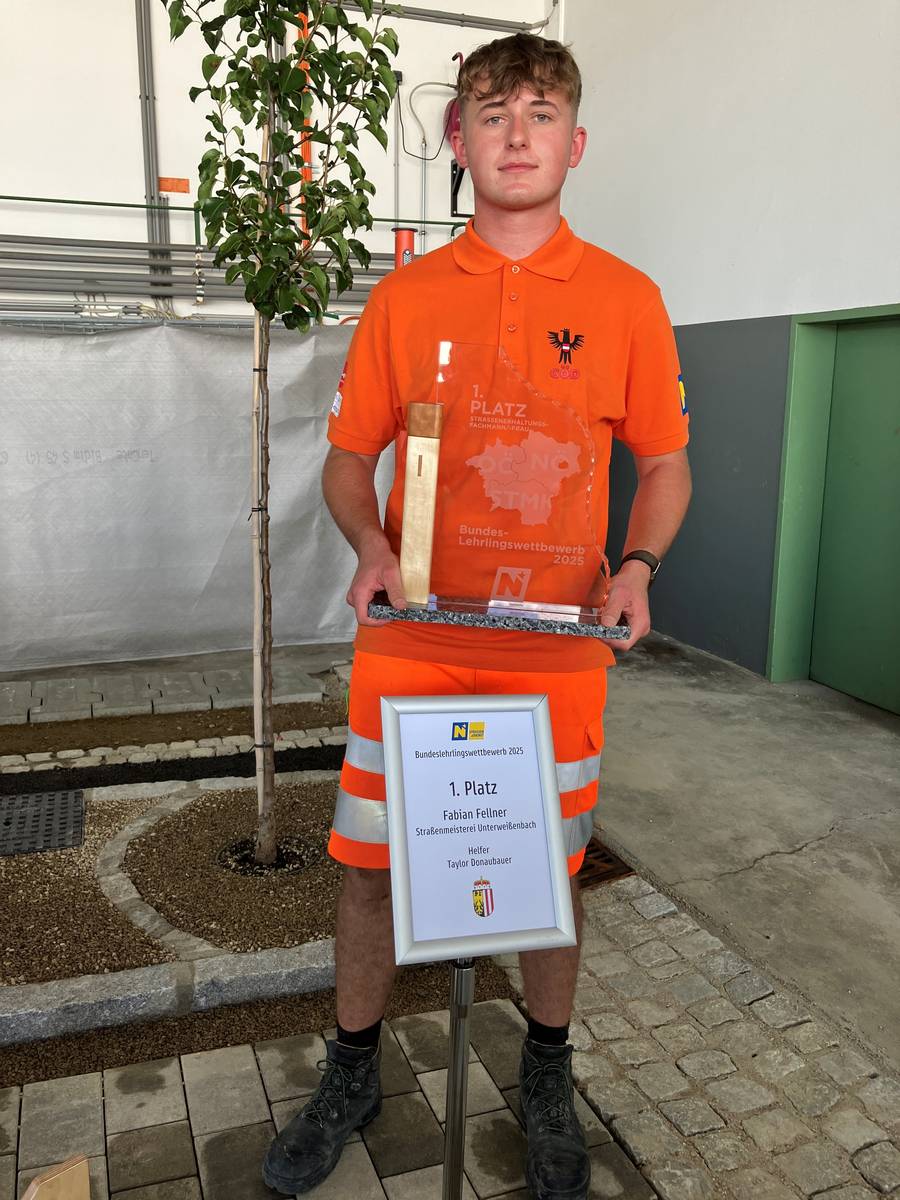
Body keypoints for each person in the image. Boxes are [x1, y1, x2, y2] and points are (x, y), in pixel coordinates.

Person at [264, 31, 691, 1200]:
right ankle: (353, 1070)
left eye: (541, 113)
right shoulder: (406, 298)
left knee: (547, 877)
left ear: (576, 143)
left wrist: (636, 567)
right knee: (368, 868)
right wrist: (371, 547)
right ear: (457, 137)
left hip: (556, 657)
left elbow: (664, 463)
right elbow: (348, 457)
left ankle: (545, 1075)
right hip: (414, 646)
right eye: (492, 113)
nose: (516, 134)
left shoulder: (627, 300)